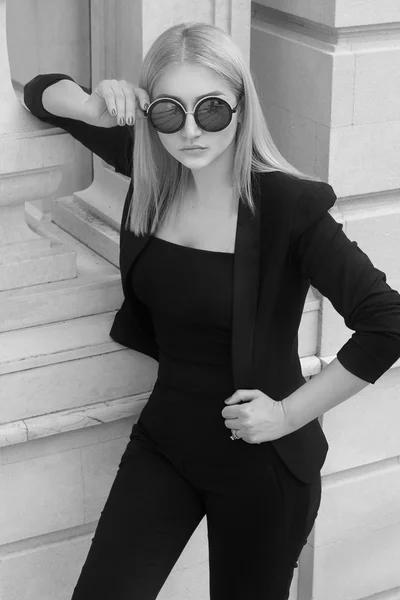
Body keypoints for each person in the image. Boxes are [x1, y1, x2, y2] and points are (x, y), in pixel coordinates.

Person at [23, 21, 400, 600]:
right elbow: (39, 91)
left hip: (262, 463)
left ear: (243, 107)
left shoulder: (287, 207)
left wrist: (289, 414)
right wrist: (96, 108)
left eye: (213, 110)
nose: (192, 131)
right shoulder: (151, 165)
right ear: (151, 113)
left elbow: (387, 320)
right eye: (172, 112)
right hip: (166, 442)